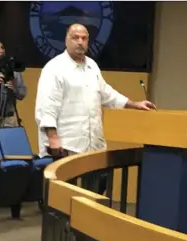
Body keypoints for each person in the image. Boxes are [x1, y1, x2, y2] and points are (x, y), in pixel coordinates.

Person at [35, 23, 156, 162]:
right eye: (75, 38)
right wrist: (53, 137)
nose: (80, 42)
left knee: (91, 183)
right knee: (66, 184)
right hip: (65, 146)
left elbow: (106, 94)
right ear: (66, 40)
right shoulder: (54, 68)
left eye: (84, 38)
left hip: (92, 145)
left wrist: (135, 104)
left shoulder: (92, 66)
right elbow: (47, 106)